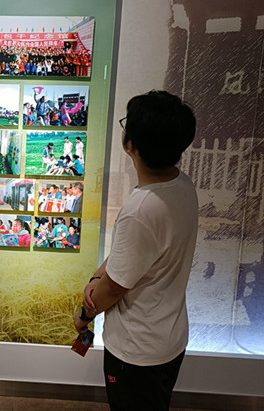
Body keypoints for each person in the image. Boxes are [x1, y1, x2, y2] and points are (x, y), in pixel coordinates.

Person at [73, 91, 198, 411]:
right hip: (169, 337)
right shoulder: (182, 185)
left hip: (136, 351)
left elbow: (115, 287)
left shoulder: (141, 210)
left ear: (132, 145)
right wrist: (96, 276)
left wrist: (84, 315)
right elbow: (132, 255)